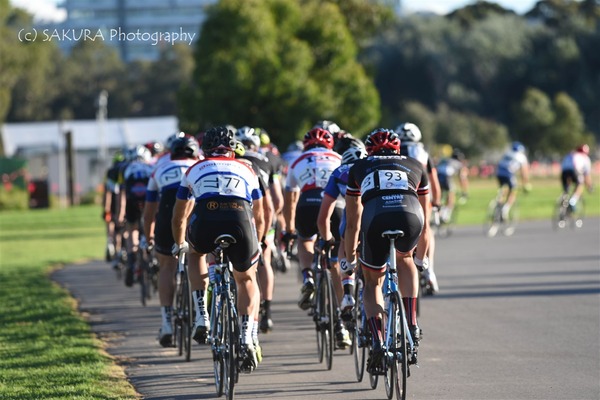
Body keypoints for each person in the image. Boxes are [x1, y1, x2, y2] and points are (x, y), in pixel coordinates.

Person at [171, 126, 265, 373]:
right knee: (246, 278)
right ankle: (246, 335)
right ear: (233, 149)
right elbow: (261, 215)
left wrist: (179, 243)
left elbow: (179, 216)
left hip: (205, 222)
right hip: (240, 223)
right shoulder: (248, 169)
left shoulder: (194, 168)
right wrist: (260, 242)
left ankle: (201, 313)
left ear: (204, 149)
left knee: (195, 253)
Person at [343, 128, 430, 374]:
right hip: (410, 215)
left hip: (375, 217)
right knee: (406, 259)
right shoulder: (415, 164)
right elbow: (427, 222)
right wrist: (422, 258)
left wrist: (350, 259)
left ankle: (379, 341)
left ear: (370, 151)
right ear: (397, 149)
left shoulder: (358, 167)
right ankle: (412, 324)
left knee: (372, 281)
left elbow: (352, 222)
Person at [282, 126, 352, 349]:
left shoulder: (297, 161)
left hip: (306, 204)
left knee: (305, 240)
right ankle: (342, 319)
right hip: (334, 207)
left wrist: (289, 228)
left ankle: (307, 277)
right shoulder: (338, 157)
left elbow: (289, 200)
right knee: (335, 262)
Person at [143, 136, 201, 347]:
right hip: (194, 213)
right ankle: (202, 312)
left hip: (167, 214)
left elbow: (149, 212)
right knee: (198, 257)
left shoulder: (160, 168)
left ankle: (167, 322)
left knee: (166, 265)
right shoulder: (199, 165)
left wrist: (148, 236)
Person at [317, 144, 367, 320]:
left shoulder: (339, 172)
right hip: (378, 214)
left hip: (351, 215)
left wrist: (327, 239)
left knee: (344, 242)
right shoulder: (372, 167)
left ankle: (347, 294)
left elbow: (323, 217)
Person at [396, 122, 441, 293]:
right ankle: (429, 272)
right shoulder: (422, 152)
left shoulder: (395, 148)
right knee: (426, 229)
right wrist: (437, 201)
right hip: (422, 194)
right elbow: (433, 179)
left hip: (401, 196)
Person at [117, 145, 154, 287]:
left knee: (132, 228)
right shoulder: (151, 167)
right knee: (152, 224)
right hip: (148, 200)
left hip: (132, 200)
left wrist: (120, 213)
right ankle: (153, 254)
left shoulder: (125, 169)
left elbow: (121, 194)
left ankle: (132, 259)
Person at [102, 151, 126, 269]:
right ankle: (122, 249)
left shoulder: (110, 172)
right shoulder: (126, 169)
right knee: (122, 228)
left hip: (112, 202)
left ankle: (111, 244)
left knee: (111, 224)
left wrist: (106, 209)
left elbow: (107, 192)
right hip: (124, 201)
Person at [496, 141, 531, 220]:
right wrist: (525, 184)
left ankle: (499, 203)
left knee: (503, 188)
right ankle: (505, 209)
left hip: (499, 173)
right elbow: (524, 172)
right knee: (513, 190)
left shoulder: (507, 153)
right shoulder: (522, 157)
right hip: (509, 173)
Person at [436, 148, 469, 223]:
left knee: (439, 196)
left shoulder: (445, 160)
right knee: (451, 194)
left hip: (438, 176)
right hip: (447, 177)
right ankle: (445, 215)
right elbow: (462, 178)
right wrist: (464, 192)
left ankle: (437, 212)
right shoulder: (459, 164)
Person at [560, 144, 593, 212]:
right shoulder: (585, 158)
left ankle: (564, 201)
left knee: (566, 189)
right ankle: (573, 201)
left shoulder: (570, 154)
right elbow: (587, 175)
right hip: (574, 171)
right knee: (580, 184)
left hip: (564, 172)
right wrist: (590, 186)